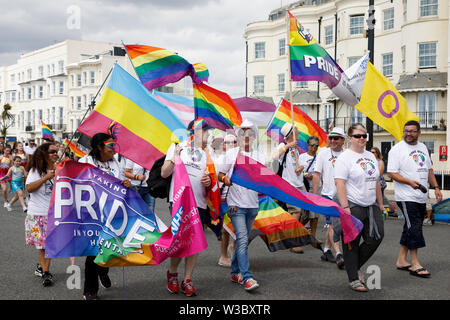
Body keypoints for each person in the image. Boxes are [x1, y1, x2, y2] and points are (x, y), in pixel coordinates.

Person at [161, 119, 214, 297]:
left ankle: (188, 279)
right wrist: (175, 156)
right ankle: (173, 273)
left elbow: (209, 178)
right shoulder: (178, 146)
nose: (209, 134)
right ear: (197, 132)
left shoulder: (206, 153)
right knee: (180, 240)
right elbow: (164, 173)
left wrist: (209, 181)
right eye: (206, 131)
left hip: (198, 203)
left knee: (195, 242)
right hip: (178, 202)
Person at [78, 133, 131, 300]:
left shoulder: (115, 163)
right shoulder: (85, 162)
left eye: (115, 145)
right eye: (110, 146)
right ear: (99, 147)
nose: (114, 150)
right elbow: (75, 185)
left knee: (110, 249)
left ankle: (103, 270)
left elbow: (121, 183)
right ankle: (90, 291)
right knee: (93, 251)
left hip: (112, 214)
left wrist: (126, 184)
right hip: (92, 216)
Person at [387, 120, 442, 278]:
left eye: (412, 131)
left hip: (421, 196)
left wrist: (436, 187)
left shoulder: (423, 147)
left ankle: (402, 260)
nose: (408, 134)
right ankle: (415, 263)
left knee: (409, 226)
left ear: (419, 132)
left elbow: (429, 169)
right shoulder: (397, 149)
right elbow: (392, 173)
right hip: (406, 196)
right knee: (415, 226)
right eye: (406, 131)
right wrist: (409, 182)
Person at [334, 123, 384, 292]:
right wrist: (345, 207)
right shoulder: (344, 158)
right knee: (351, 243)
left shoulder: (370, 156)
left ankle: (352, 266)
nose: (362, 138)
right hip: (353, 205)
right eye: (358, 136)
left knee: (376, 237)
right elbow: (339, 182)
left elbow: (376, 181)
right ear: (350, 138)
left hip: (371, 205)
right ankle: (353, 278)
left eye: (364, 136)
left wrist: (381, 204)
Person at [218, 119, 264, 292]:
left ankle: (234, 272)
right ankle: (247, 277)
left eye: (250, 132)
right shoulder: (231, 154)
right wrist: (226, 179)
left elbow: (265, 180)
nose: (246, 135)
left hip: (252, 205)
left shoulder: (259, 156)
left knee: (240, 241)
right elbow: (220, 175)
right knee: (243, 239)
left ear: (253, 136)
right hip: (236, 205)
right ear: (239, 135)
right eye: (243, 132)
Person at [25, 142, 58, 287]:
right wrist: (46, 177)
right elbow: (29, 188)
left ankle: (42, 267)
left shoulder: (59, 169)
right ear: (44, 153)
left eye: (57, 151)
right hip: (37, 213)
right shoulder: (35, 171)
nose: (56, 154)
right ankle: (46, 273)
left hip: (53, 214)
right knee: (43, 245)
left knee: (48, 244)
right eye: (52, 151)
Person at [312, 127, 346, 269]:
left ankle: (326, 250)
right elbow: (317, 174)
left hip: (342, 195)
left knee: (333, 224)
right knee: (333, 224)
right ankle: (338, 253)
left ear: (343, 140)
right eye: (331, 138)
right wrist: (314, 195)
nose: (332, 140)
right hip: (328, 194)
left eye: (336, 138)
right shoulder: (323, 153)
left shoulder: (347, 154)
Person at [272, 123, 305, 254]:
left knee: (302, 211)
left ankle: (289, 234)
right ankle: (292, 242)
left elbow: (295, 166)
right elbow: (274, 157)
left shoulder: (296, 149)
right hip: (289, 184)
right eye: (296, 129)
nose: (298, 131)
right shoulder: (283, 146)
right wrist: (287, 146)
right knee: (296, 211)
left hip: (299, 183)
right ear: (291, 133)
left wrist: (300, 168)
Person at [217, 134, 237, 267]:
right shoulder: (220, 159)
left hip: (238, 197)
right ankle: (223, 256)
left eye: (234, 142)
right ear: (223, 145)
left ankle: (234, 249)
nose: (231, 144)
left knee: (239, 228)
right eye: (228, 142)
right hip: (223, 197)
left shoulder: (240, 158)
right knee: (225, 230)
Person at [299, 136, 320, 237]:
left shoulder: (320, 157)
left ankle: (313, 236)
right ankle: (297, 231)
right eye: (312, 145)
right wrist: (305, 175)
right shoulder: (302, 157)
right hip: (305, 189)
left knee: (315, 215)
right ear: (308, 146)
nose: (314, 148)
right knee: (305, 214)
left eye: (316, 146)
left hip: (316, 189)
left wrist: (315, 177)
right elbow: (297, 171)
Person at [1, 145, 13, 210]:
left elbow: (12, 166)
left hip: (8, 173)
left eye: (9, 150)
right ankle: (6, 201)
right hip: (2, 174)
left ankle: (23, 198)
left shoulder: (11, 157)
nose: (8, 152)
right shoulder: (0, 157)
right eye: (7, 150)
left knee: (16, 186)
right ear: (4, 150)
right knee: (4, 189)